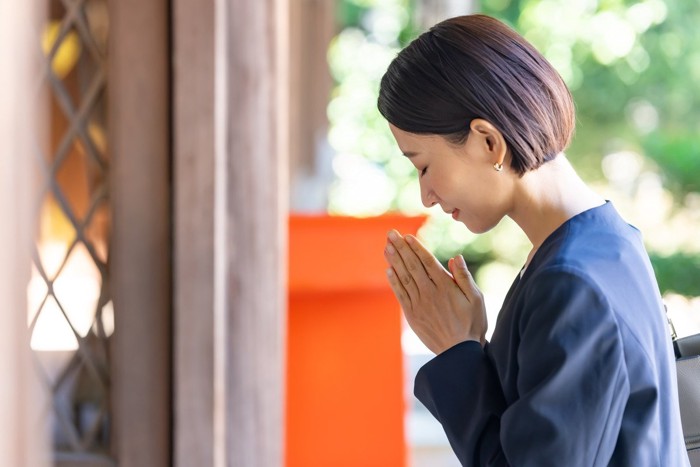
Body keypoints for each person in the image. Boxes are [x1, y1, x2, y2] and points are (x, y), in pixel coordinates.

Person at [378, 14, 690, 467]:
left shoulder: (569, 283)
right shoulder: (608, 239)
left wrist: (456, 352)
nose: (426, 196)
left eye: (423, 165)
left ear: (487, 142)